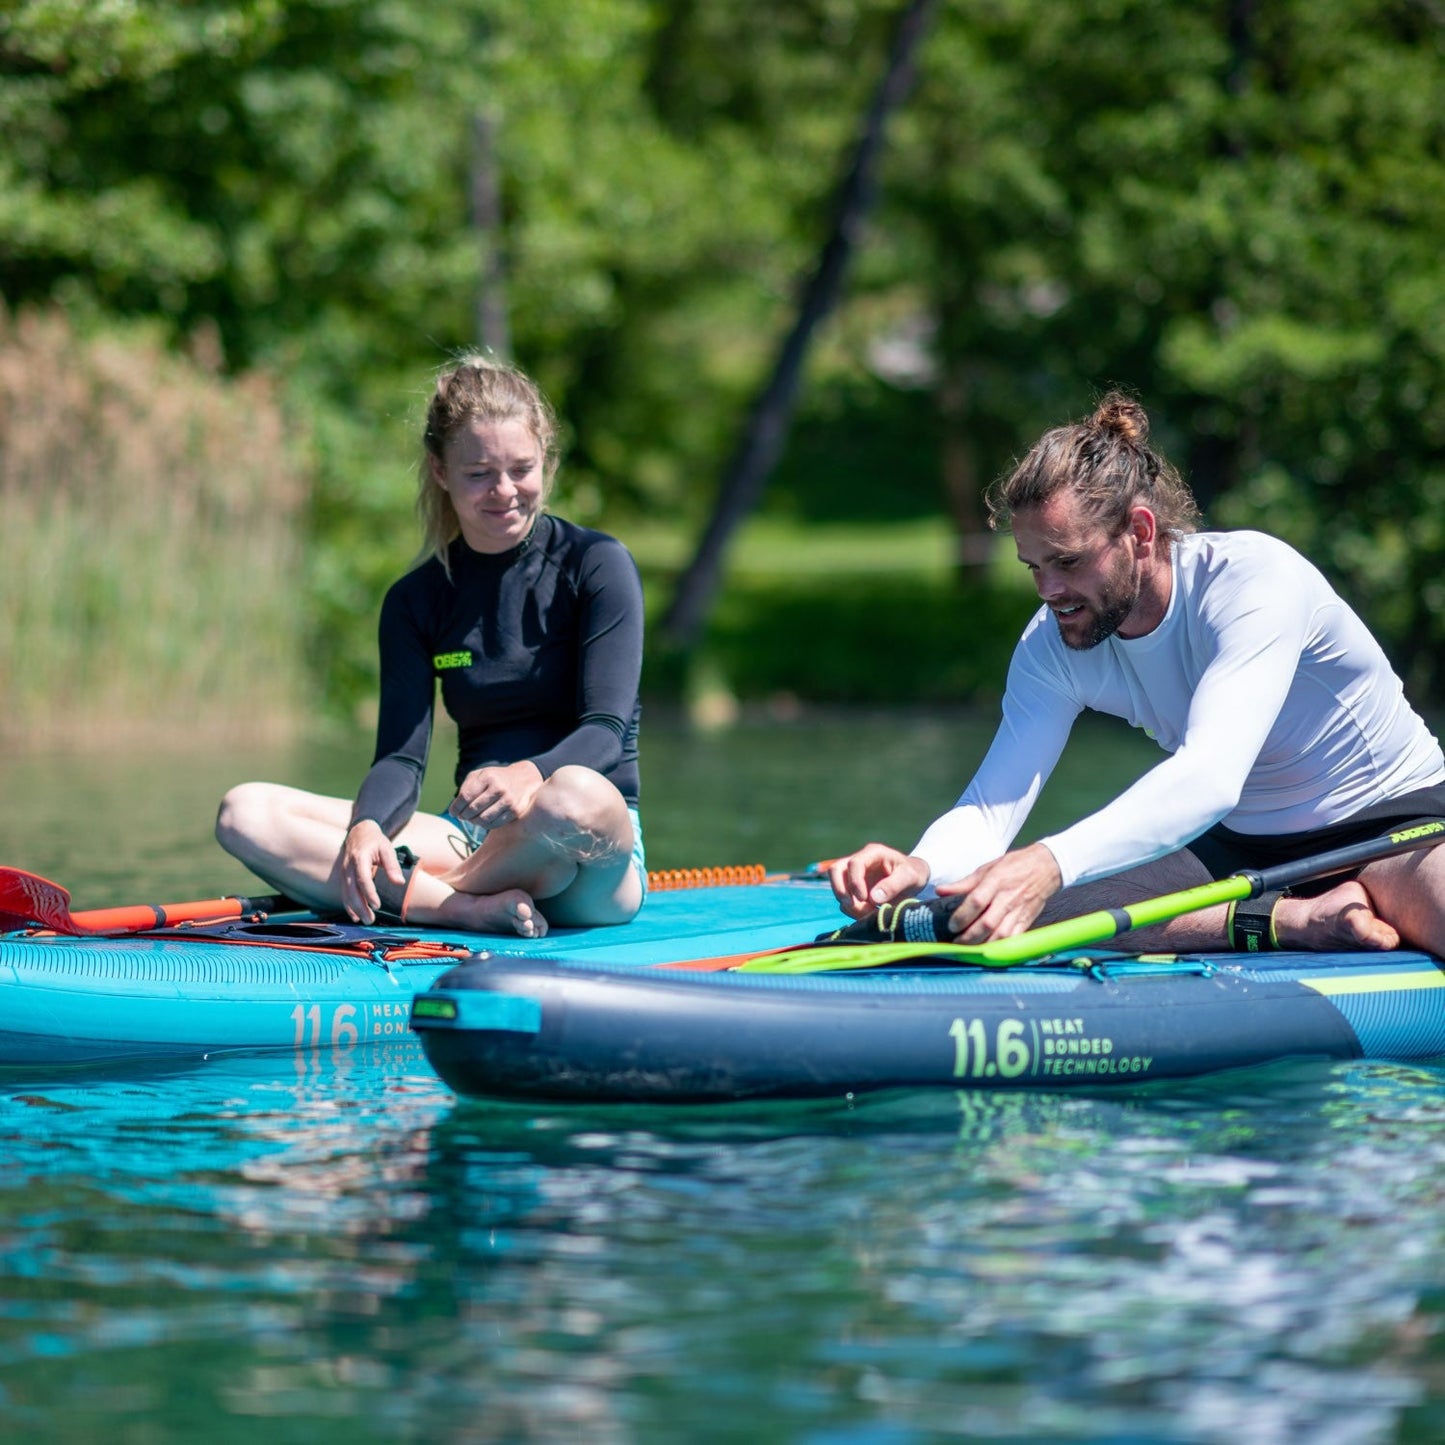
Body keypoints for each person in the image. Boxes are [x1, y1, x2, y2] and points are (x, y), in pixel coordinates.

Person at [829, 392, 1445, 957]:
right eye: (1033, 567)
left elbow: (1209, 778)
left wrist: (1049, 861)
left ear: (1140, 533)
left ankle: (1356, 899)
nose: (1050, 592)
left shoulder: (1253, 583)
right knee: (996, 911)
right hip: (1241, 848)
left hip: (1393, 824)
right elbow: (992, 809)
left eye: (1066, 561)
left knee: (1040, 883)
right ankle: (1301, 920)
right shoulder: (1053, 645)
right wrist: (922, 866)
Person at [216, 355, 645, 938]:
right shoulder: (416, 600)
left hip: (589, 852)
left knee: (568, 797)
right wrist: (367, 827)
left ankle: (416, 895)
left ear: (546, 459)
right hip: (468, 834)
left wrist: (529, 775)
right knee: (245, 811)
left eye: (521, 469)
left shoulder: (596, 564)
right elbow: (401, 758)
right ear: (441, 472)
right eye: (478, 474)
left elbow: (605, 729)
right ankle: (459, 909)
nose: (504, 492)